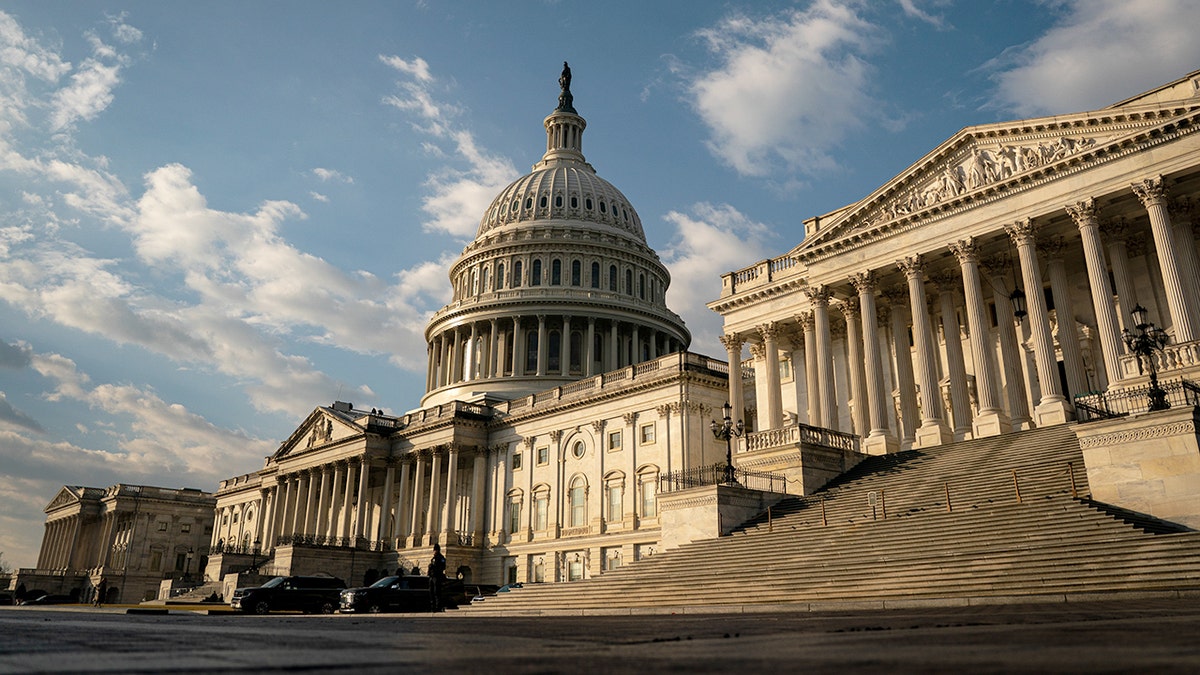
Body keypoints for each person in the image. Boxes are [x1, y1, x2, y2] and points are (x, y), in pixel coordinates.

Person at [428, 544, 447, 612]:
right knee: (431, 592)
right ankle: (433, 607)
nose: (434, 551)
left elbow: (443, 567)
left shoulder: (441, 558)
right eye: (434, 550)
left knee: (437, 592)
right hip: (432, 576)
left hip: (437, 576)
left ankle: (438, 607)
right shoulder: (433, 558)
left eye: (435, 550)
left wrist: (435, 567)